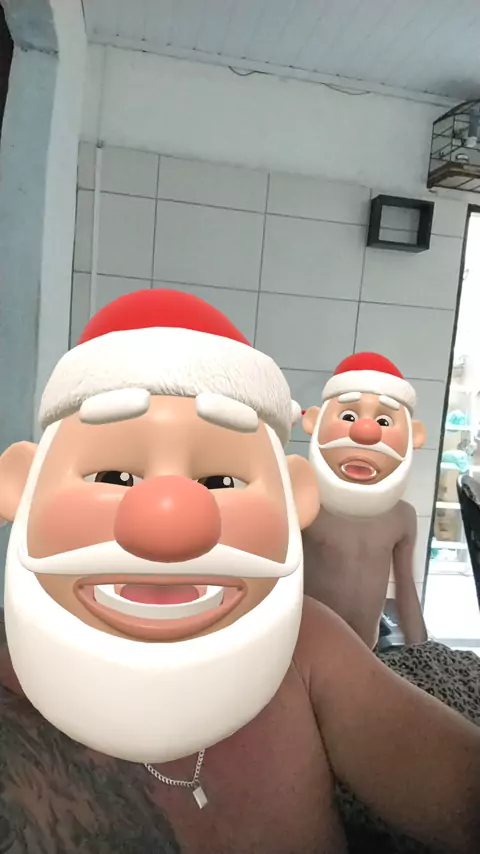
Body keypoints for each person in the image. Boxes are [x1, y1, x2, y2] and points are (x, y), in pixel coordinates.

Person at [0, 290, 479, 854]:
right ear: (21, 486)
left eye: (221, 482)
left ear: (293, 500)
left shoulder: (311, 651)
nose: (169, 522)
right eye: (113, 476)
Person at [302, 352, 428, 649]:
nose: (365, 432)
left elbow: (406, 590)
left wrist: (422, 650)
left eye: (383, 421)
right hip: (309, 650)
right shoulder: (307, 503)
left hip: (367, 648)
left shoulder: (402, 517)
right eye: (349, 417)